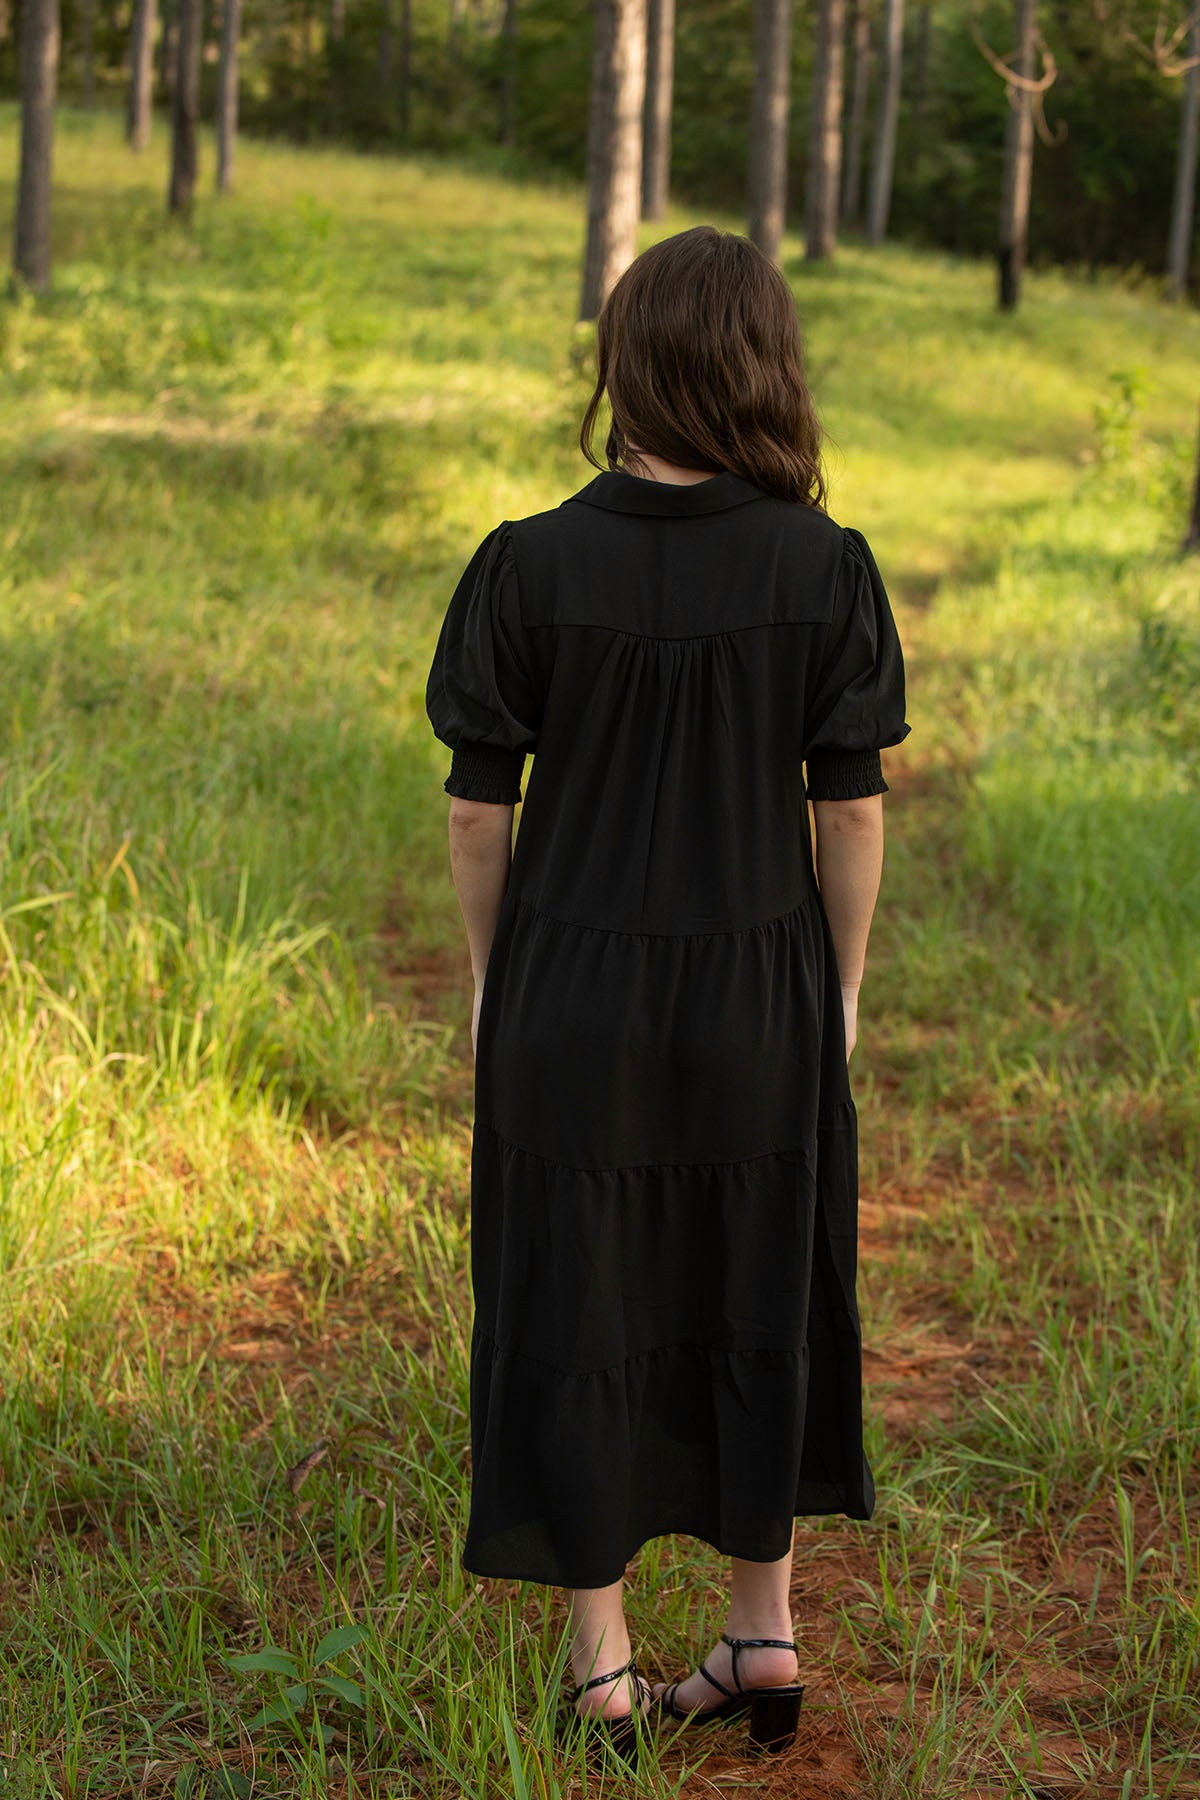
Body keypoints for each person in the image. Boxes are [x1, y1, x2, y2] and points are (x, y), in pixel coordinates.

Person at [424, 223, 910, 1769]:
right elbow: (850, 808)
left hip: (575, 985)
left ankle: (604, 1669)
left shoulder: (525, 561)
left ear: (624, 364)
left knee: (577, 1300)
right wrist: (832, 993)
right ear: (763, 365)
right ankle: (763, 1633)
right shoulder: (824, 566)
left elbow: (475, 810)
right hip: (757, 985)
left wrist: (502, 981)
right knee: (759, 1284)